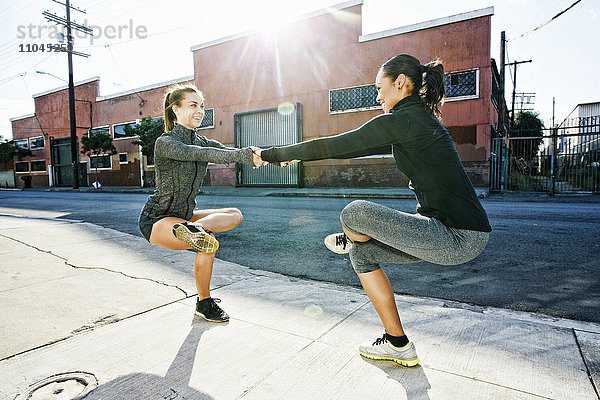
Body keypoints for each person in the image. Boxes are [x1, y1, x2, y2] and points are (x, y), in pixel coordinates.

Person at [258, 54, 491, 367]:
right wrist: (295, 156)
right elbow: (345, 148)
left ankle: (351, 236)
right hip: (447, 233)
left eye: (380, 88)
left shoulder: (404, 121)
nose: (378, 96)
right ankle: (398, 343)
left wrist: (272, 154)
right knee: (363, 255)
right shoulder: (414, 121)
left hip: (457, 235)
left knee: (354, 213)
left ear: (400, 84)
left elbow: (335, 144)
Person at [138, 84, 265, 323]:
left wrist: (269, 157)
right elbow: (201, 153)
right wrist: (245, 154)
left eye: (202, 106)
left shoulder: (202, 140)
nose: (200, 111)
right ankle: (204, 302)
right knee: (209, 244)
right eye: (193, 105)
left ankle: (194, 230)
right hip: (157, 220)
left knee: (234, 214)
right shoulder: (166, 142)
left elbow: (230, 152)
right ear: (175, 109)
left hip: (184, 217)